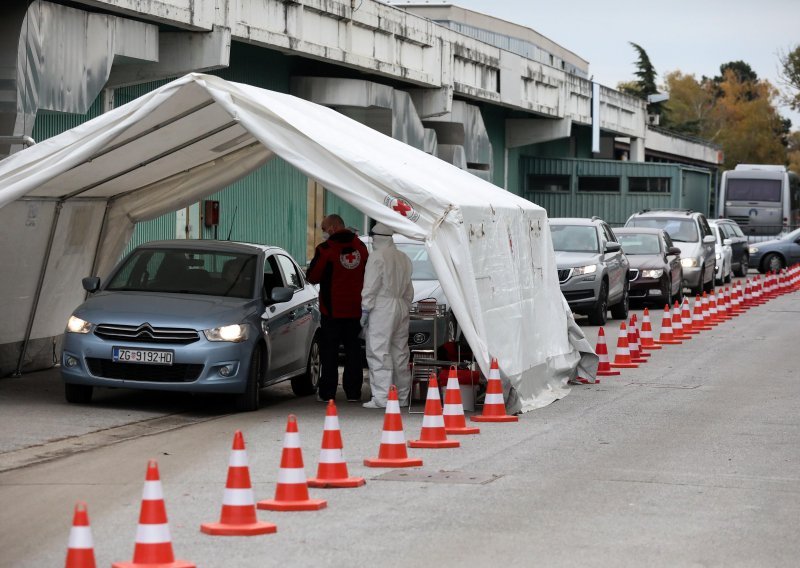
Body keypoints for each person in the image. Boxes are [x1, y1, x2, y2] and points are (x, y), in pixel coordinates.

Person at [306, 214, 369, 402]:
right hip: (356, 311)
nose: (323, 233)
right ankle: (353, 392)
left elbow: (313, 276)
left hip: (332, 312)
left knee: (330, 353)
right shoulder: (361, 247)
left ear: (333, 228)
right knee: (353, 352)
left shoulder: (326, 250)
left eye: (324, 229)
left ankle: (328, 393)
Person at [360, 222, 414, 408]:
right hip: (400, 305)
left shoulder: (376, 257)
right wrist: (404, 306)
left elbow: (371, 287)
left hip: (382, 307)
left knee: (378, 351)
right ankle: (402, 397)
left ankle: (382, 398)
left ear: (376, 238)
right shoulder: (403, 258)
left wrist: (365, 309)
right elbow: (409, 289)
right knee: (400, 352)